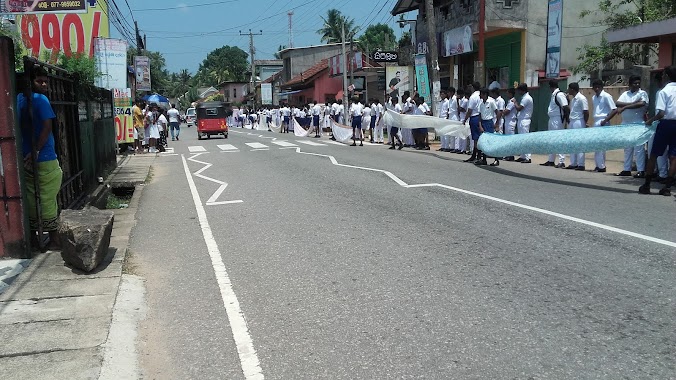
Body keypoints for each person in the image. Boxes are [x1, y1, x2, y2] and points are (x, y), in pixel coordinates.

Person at [19, 66, 63, 250]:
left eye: (46, 81)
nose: (44, 84)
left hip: (24, 156)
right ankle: (53, 239)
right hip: (43, 156)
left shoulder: (17, 99)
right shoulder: (41, 99)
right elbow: (47, 126)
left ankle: (35, 239)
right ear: (30, 82)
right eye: (40, 81)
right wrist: (37, 149)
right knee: (47, 198)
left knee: (29, 198)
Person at [640, 65, 676, 196]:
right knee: (673, 157)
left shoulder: (663, 92)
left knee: (654, 154)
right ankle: (667, 187)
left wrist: (650, 120)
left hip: (665, 124)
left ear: (666, 76)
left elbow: (661, 113)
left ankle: (647, 184)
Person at [615, 75, 649, 177]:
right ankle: (626, 169)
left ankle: (641, 170)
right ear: (630, 84)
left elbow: (641, 104)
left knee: (639, 148)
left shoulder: (642, 93)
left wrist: (625, 107)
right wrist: (631, 104)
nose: (637, 85)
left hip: (638, 123)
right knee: (627, 147)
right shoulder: (625, 94)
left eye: (638, 83)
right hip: (626, 124)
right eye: (635, 83)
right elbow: (617, 103)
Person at [591, 79, 619, 172]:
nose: (597, 89)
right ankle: (598, 165)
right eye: (595, 87)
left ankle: (602, 166)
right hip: (596, 120)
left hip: (603, 120)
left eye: (598, 87)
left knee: (601, 145)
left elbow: (614, 109)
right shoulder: (594, 97)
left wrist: (605, 120)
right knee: (596, 144)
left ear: (602, 87)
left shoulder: (607, 96)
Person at [541, 80, 570, 168]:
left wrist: (566, 119)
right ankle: (551, 160)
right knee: (552, 139)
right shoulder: (554, 95)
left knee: (559, 139)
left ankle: (561, 161)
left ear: (551, 87)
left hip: (558, 119)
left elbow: (566, 107)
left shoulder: (559, 94)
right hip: (553, 119)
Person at [565, 82, 589, 171]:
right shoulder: (573, 99)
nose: (568, 91)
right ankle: (573, 163)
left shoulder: (581, 98)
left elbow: (586, 112)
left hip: (579, 121)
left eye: (569, 89)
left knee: (579, 142)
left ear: (572, 89)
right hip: (572, 121)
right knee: (572, 142)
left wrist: (584, 122)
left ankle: (581, 164)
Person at [476, 87, 500, 166]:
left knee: (491, 141)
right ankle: (484, 159)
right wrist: (480, 126)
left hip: (489, 122)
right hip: (483, 122)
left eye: (481, 94)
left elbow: (498, 113)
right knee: (483, 142)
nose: (480, 96)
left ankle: (496, 159)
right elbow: (479, 116)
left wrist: (497, 123)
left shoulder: (491, 102)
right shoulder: (480, 103)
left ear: (485, 94)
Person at [514, 83, 534, 163]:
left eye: (519, 90)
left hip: (525, 120)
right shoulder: (524, 97)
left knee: (525, 138)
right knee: (521, 139)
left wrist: (515, 102)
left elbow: (519, 108)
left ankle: (528, 157)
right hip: (521, 119)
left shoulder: (526, 98)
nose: (519, 92)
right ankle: (523, 156)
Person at [462, 82, 482, 162]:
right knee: (478, 137)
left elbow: (469, 110)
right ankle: (476, 155)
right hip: (481, 117)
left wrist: (465, 119)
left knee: (475, 138)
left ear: (473, 88)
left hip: (474, 117)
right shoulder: (481, 95)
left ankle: (477, 155)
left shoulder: (473, 97)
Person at [500, 87, 518, 161]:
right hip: (508, 120)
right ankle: (508, 154)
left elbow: (507, 111)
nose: (506, 94)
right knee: (508, 138)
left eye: (507, 92)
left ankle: (511, 155)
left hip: (511, 121)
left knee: (510, 138)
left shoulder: (512, 101)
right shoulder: (509, 101)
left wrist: (502, 112)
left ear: (510, 93)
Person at [454, 89, 468, 154]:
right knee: (460, 134)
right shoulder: (460, 100)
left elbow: (460, 109)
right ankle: (459, 148)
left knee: (463, 135)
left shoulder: (465, 100)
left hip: (464, 118)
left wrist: (457, 101)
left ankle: (463, 149)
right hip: (461, 117)